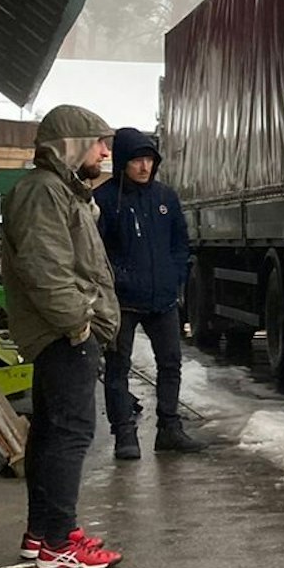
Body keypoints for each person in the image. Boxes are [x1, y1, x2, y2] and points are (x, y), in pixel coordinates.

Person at [0, 105, 124, 568]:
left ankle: (41, 534)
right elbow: (45, 268)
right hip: (62, 332)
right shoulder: (43, 192)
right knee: (71, 435)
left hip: (60, 331)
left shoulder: (58, 191)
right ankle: (59, 541)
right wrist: (80, 324)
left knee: (51, 432)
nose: (105, 151)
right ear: (71, 145)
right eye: (98, 142)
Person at [94, 127, 204, 459]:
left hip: (163, 301)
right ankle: (124, 435)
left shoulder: (165, 198)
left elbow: (180, 243)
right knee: (117, 368)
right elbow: (96, 251)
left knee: (170, 364)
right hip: (123, 302)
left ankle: (169, 428)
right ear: (122, 162)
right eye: (136, 160)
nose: (143, 167)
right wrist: (119, 279)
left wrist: (175, 276)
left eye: (148, 160)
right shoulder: (104, 200)